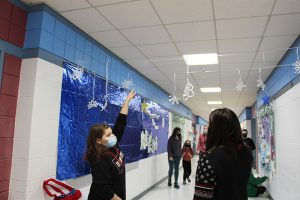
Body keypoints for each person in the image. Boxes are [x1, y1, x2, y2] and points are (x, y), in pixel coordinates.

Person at [85, 91, 135, 200]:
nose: (113, 136)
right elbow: (104, 189)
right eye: (108, 135)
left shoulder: (111, 144)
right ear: (98, 140)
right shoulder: (99, 159)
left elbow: (121, 122)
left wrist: (127, 100)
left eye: (111, 132)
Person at [194, 108, 253, 200]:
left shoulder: (209, 157)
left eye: (210, 125)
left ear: (215, 130)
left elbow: (201, 197)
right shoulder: (246, 152)